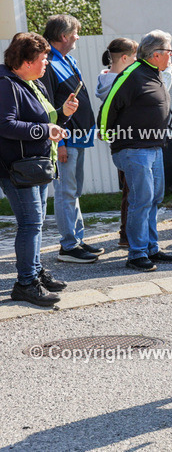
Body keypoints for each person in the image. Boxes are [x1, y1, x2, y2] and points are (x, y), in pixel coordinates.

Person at [1, 33, 78, 306]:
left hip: (38, 166)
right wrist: (46, 129)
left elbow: (47, 119)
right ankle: (25, 284)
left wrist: (63, 114)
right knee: (30, 224)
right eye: (43, 59)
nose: (46, 63)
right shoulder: (6, 84)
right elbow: (5, 125)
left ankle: (34, 272)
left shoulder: (31, 83)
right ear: (25, 61)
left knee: (35, 224)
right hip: (18, 168)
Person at [97, 30, 172, 272]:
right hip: (133, 148)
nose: (171, 56)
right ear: (155, 55)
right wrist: (107, 133)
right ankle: (136, 254)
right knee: (141, 200)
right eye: (168, 52)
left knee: (153, 199)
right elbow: (108, 106)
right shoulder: (132, 74)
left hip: (153, 147)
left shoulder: (154, 74)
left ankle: (151, 248)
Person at [38, 15, 102, 263]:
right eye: (75, 32)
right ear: (64, 36)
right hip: (66, 140)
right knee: (66, 192)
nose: (77, 36)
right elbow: (50, 105)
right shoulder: (50, 63)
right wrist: (60, 144)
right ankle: (68, 246)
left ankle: (77, 238)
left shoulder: (67, 59)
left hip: (79, 137)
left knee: (73, 191)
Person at [97, 38, 138, 247]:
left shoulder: (105, 79)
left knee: (128, 189)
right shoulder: (121, 81)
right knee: (131, 190)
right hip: (128, 141)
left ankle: (127, 233)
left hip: (120, 140)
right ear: (124, 58)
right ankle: (127, 234)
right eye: (134, 57)